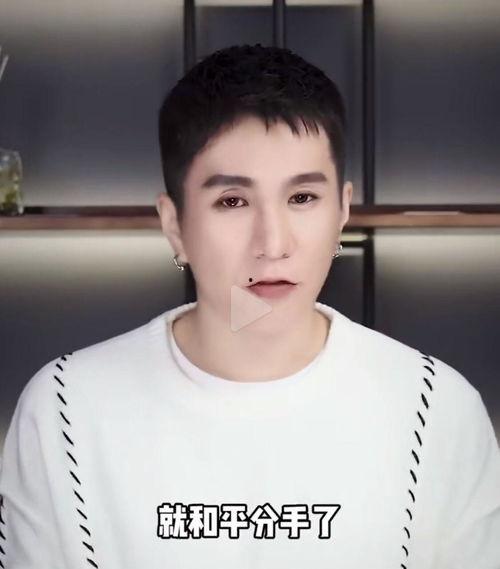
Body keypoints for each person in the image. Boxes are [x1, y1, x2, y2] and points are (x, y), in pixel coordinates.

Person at [1, 43, 499, 569]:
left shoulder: (435, 408)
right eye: (232, 201)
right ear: (175, 225)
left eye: (302, 198)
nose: (273, 243)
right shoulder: (65, 408)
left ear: (342, 211)